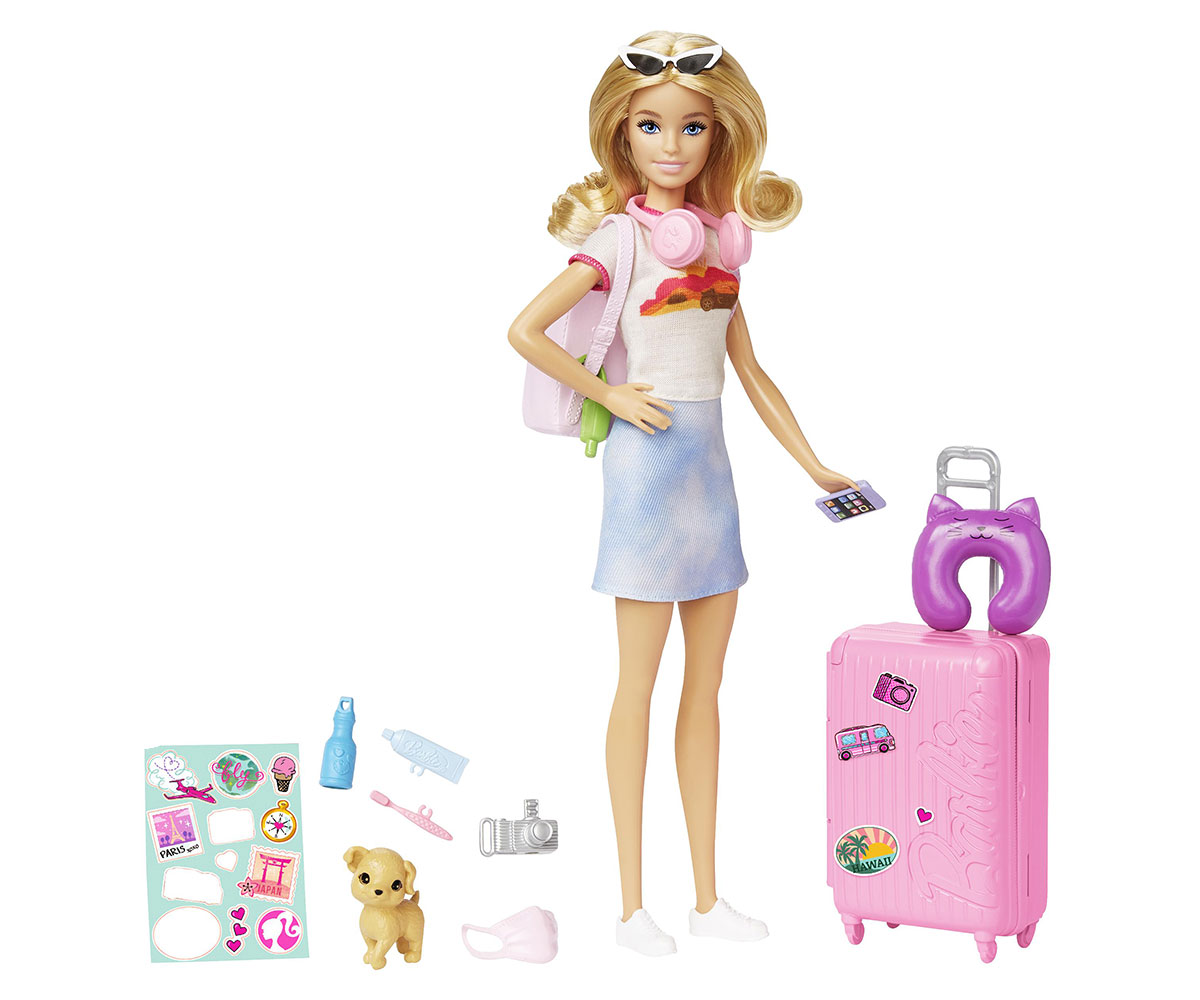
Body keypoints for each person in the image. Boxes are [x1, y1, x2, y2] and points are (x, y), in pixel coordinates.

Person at [508, 30, 857, 957]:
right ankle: (631, 908)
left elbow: (752, 371)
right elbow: (525, 330)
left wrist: (815, 465)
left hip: (713, 478)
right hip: (645, 475)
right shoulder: (620, 240)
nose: (671, 144)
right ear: (621, 136)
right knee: (638, 688)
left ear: (720, 134)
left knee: (706, 692)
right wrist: (614, 395)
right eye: (651, 126)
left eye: (692, 126)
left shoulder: (721, 245)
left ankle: (707, 897)